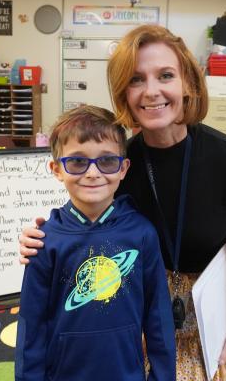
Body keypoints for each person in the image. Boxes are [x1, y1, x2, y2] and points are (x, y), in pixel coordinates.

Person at [20, 25, 226, 381]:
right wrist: (36, 238)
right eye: (136, 80)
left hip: (209, 306)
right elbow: (89, 223)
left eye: (165, 75)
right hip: (134, 304)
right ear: (123, 92)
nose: (151, 91)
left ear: (187, 83)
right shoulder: (115, 162)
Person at [15, 105, 176, 381]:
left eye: (107, 161)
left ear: (123, 168)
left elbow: (158, 316)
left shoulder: (142, 234)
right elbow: (32, 326)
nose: (92, 173)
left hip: (127, 373)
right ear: (56, 170)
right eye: (77, 162)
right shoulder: (45, 240)